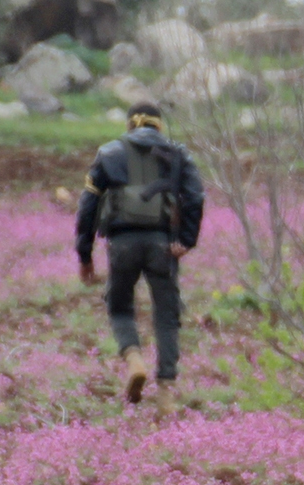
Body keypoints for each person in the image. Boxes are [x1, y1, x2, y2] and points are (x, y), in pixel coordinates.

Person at [75, 103, 206, 405]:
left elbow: (87, 206)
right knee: (167, 313)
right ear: (159, 126)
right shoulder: (177, 154)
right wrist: (186, 240)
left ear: (130, 125)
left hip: (121, 244)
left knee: (120, 307)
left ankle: (134, 359)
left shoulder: (109, 153)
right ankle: (166, 392)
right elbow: (196, 196)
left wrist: (85, 255)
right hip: (163, 244)